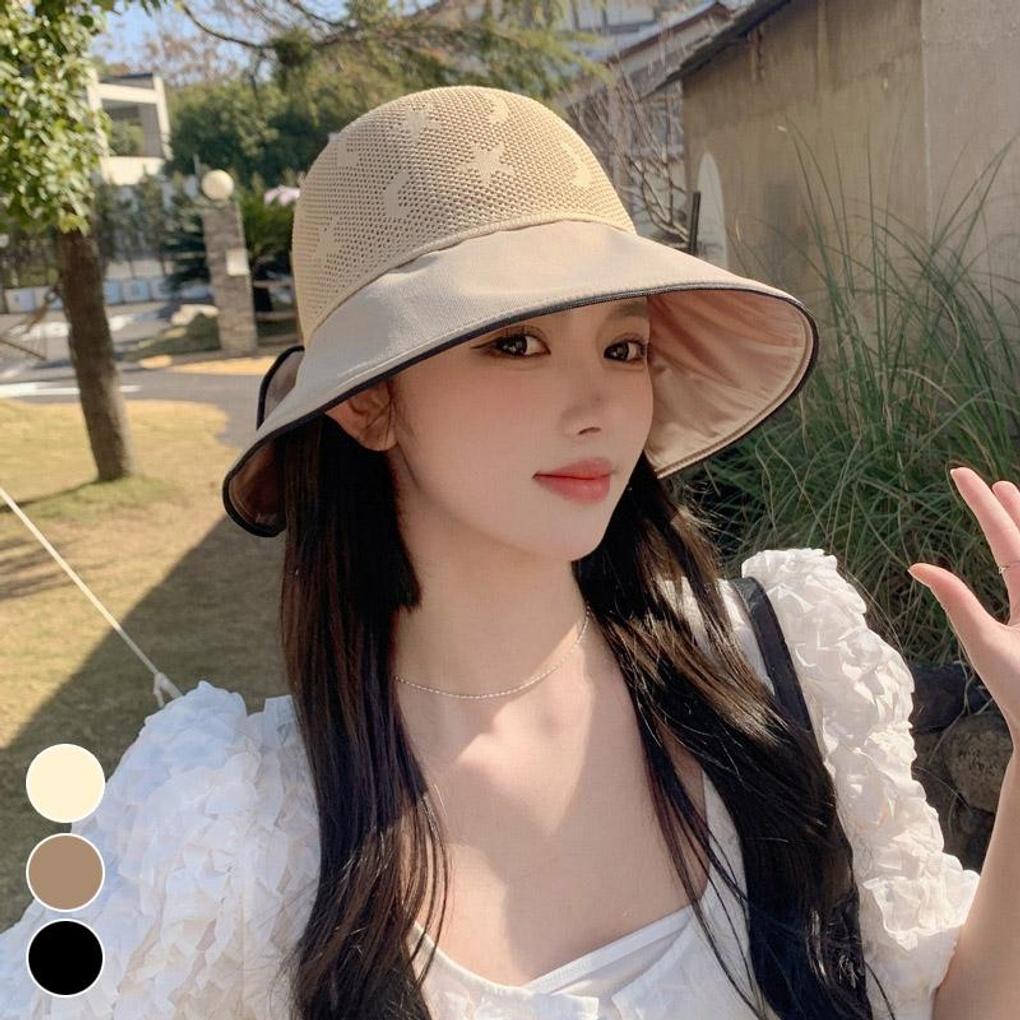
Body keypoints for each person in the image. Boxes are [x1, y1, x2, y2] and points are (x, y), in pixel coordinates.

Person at [0, 85, 984, 1020]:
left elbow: (933, 999)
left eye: (623, 347)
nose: (597, 406)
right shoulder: (235, 831)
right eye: (514, 343)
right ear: (368, 400)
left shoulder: (776, 671)